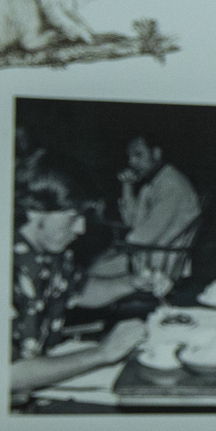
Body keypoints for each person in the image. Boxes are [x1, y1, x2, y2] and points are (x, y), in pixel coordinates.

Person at [10, 153, 147, 402]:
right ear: (34, 210)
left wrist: (131, 282)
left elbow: (80, 290)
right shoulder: (1, 268)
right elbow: (8, 375)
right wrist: (103, 353)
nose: (81, 229)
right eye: (72, 217)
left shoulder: (53, 253)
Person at [84, 136, 199, 302]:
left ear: (156, 153)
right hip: (147, 255)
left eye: (138, 155)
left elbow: (141, 237)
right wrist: (127, 186)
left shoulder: (171, 185)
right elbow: (133, 223)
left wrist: (113, 250)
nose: (131, 162)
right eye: (130, 156)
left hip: (159, 263)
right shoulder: (153, 183)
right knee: (91, 269)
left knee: (89, 276)